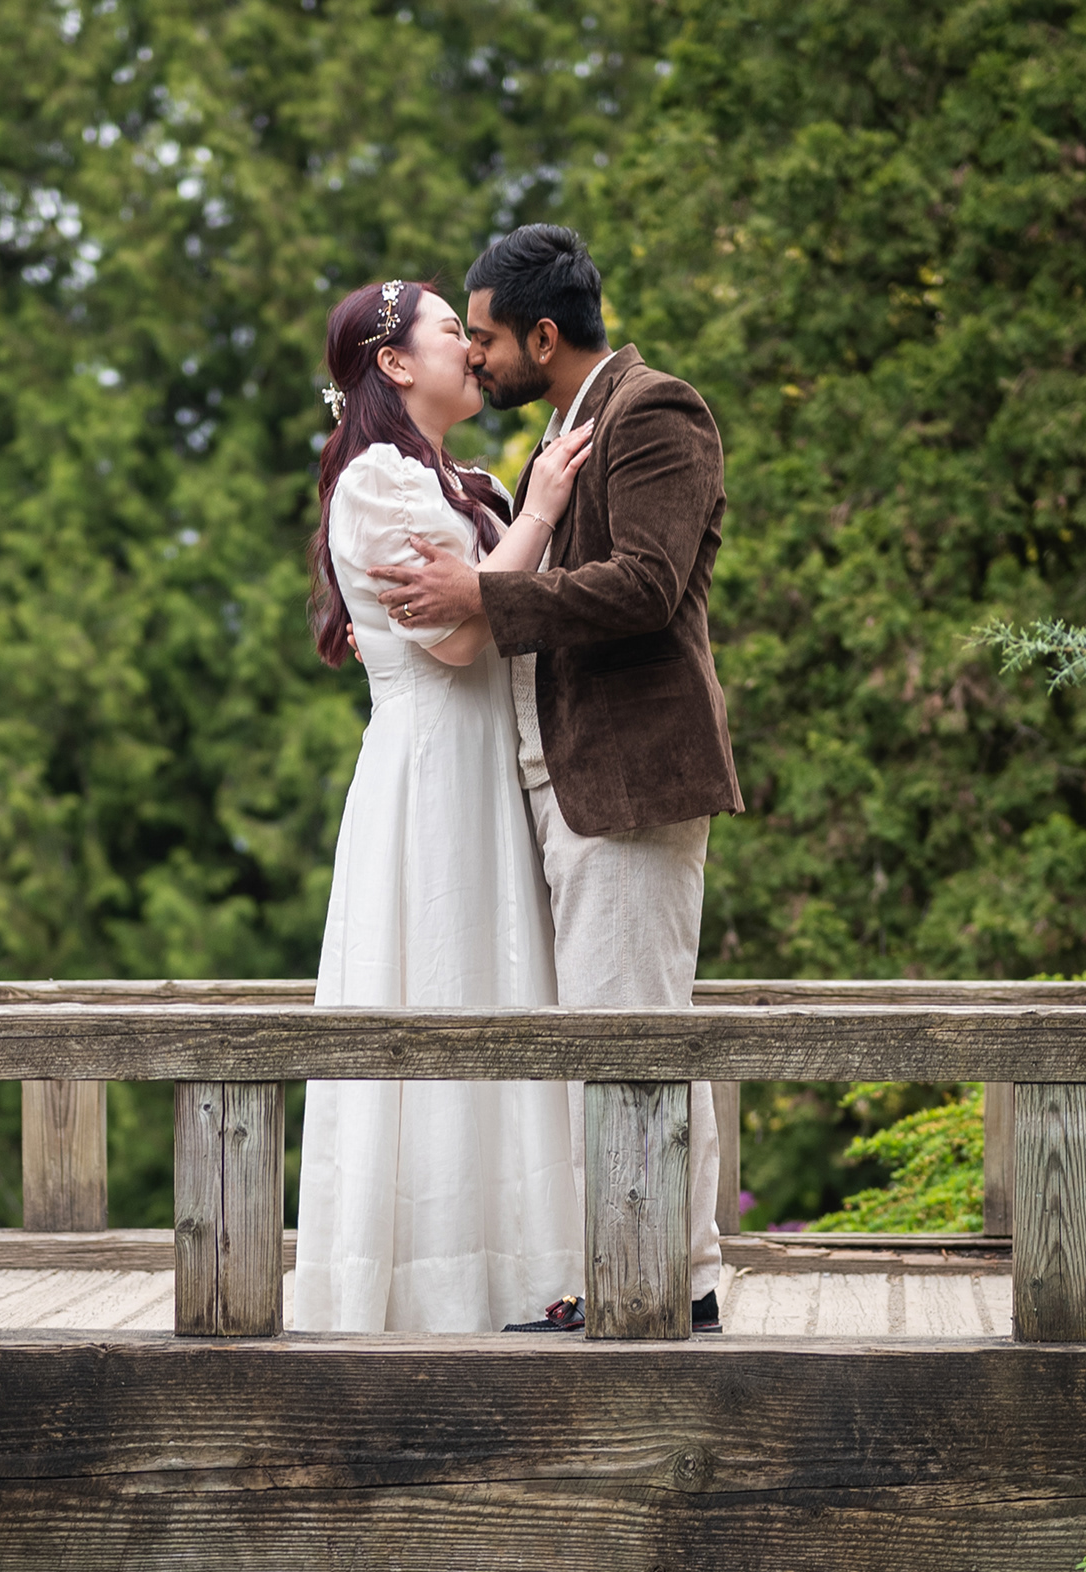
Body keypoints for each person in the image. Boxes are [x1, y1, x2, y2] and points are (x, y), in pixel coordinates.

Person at [368, 224, 741, 1333]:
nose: (474, 358)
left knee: (634, 1032)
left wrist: (486, 600)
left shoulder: (656, 411)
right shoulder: (568, 432)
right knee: (615, 1024)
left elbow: (644, 585)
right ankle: (655, 1270)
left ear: (541, 333)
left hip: (630, 777)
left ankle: (669, 1285)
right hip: (571, 780)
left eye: (482, 337)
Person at [286, 278, 605, 1334]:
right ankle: (433, 1283)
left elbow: (489, 597)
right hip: (430, 776)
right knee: (438, 986)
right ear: (392, 365)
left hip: (487, 764)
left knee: (505, 997)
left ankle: (522, 1274)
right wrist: (547, 507)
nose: (474, 351)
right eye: (449, 334)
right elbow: (462, 635)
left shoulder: (452, 478)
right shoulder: (378, 482)